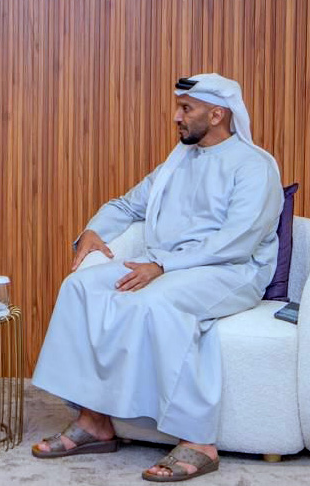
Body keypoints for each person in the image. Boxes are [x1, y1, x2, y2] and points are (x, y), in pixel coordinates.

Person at [31, 73, 283, 482]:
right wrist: (93, 230)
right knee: (79, 286)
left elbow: (237, 240)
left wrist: (163, 267)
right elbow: (128, 205)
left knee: (154, 300)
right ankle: (93, 421)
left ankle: (199, 442)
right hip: (165, 263)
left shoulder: (254, 166)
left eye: (186, 108)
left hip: (229, 270)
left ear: (217, 115)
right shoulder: (177, 163)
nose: (176, 117)